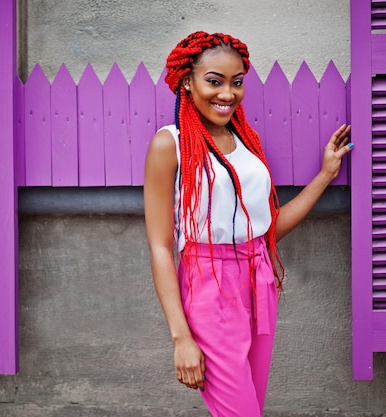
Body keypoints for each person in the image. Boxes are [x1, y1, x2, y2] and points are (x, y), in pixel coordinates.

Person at [143, 31, 352, 416]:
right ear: (187, 81)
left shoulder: (245, 140)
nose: (227, 94)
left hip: (259, 281)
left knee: (251, 406)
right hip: (209, 286)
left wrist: (325, 175)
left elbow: (268, 230)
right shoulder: (168, 144)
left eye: (236, 82)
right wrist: (181, 338)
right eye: (214, 81)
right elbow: (160, 246)